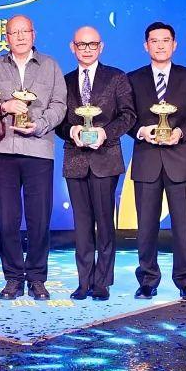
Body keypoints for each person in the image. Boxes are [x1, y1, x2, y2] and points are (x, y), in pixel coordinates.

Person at [0, 14, 67, 301]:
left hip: (38, 148)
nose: (19, 37)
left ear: (34, 34)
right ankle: (13, 279)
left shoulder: (50, 65)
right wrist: (3, 105)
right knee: (7, 219)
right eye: (13, 32)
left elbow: (60, 104)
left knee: (39, 218)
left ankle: (37, 278)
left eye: (24, 32)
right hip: (3, 149)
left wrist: (40, 124)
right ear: (6, 37)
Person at [127, 21, 186, 301]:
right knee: (146, 227)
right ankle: (147, 280)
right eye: (154, 41)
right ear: (145, 46)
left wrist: (180, 132)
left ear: (174, 44)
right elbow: (126, 117)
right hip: (147, 159)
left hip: (181, 159)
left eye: (165, 40)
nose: (160, 45)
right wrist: (142, 131)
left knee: (184, 227)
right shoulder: (133, 78)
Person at [54, 26, 136, 301]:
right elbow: (58, 120)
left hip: (105, 158)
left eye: (92, 44)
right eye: (81, 44)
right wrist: (72, 131)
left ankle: (102, 282)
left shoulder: (116, 77)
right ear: (72, 47)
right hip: (75, 160)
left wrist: (105, 133)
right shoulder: (64, 81)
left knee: (105, 223)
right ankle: (83, 281)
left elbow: (128, 115)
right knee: (82, 225)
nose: (87, 49)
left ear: (101, 47)